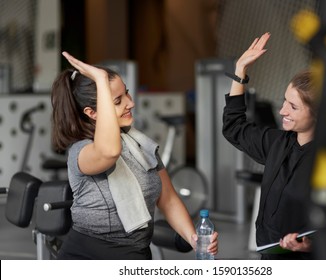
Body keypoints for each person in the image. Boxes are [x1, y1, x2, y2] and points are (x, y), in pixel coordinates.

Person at [51, 52, 218, 260]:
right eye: (118, 100)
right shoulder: (81, 151)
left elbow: (168, 199)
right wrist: (101, 80)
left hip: (136, 254)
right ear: (92, 113)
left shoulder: (141, 144)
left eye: (127, 94)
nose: (130, 103)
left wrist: (193, 238)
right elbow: (110, 151)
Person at [222, 32, 320, 260]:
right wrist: (240, 71)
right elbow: (234, 127)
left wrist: (310, 246)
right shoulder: (278, 143)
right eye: (284, 100)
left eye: (293, 107)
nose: (282, 110)